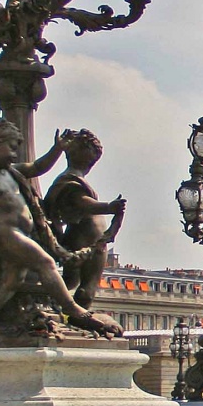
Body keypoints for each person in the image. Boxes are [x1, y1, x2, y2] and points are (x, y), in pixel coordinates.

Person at [0, 119, 120, 336]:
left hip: (22, 232)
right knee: (46, 262)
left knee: (13, 279)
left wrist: (57, 149)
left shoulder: (10, 171)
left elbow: (38, 167)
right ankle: (72, 309)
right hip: (5, 233)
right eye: (11, 147)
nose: (15, 153)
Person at [43, 129, 126, 309]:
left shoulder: (72, 178)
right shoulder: (70, 180)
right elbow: (81, 202)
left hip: (84, 237)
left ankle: (61, 311)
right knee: (87, 287)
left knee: (71, 281)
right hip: (89, 240)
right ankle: (79, 318)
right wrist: (108, 207)